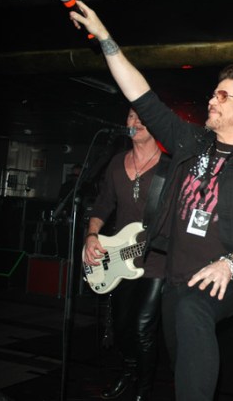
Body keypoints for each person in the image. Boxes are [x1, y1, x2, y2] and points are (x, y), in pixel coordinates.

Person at [68, 1, 233, 401]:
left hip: (227, 279)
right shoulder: (192, 142)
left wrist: (230, 264)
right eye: (213, 93)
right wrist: (105, 38)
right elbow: (141, 95)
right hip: (175, 277)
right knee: (181, 355)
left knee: (193, 310)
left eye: (223, 96)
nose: (212, 100)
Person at [82, 108, 165, 401]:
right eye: (131, 116)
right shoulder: (117, 162)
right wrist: (92, 235)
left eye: (143, 116)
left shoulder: (169, 167)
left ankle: (144, 389)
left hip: (156, 259)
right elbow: (103, 203)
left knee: (143, 328)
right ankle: (129, 371)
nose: (136, 121)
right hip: (120, 256)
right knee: (121, 327)